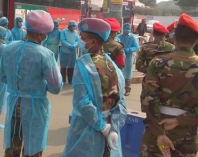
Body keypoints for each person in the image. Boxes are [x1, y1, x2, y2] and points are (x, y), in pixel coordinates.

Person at [0, 10, 63, 157]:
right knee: (33, 147)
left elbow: (3, 77)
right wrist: (39, 87)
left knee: (12, 144)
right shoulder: (45, 54)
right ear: (41, 34)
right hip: (35, 105)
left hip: (14, 102)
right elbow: (56, 87)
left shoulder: (9, 48)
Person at [63, 18, 127, 157]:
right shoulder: (113, 66)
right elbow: (121, 102)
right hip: (110, 130)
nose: (80, 40)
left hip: (87, 129)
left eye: (83, 37)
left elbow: (81, 102)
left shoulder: (82, 65)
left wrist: (102, 127)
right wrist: (114, 129)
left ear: (92, 42)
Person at [140, 13, 198, 157]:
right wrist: (180, 120)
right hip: (187, 134)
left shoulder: (158, 63)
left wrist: (159, 134)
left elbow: (148, 100)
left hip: (156, 129)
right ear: (196, 41)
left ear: (173, 37)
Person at [117, 23, 139, 96]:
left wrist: (129, 49)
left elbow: (136, 47)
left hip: (128, 57)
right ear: (123, 29)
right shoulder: (119, 37)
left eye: (129, 29)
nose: (127, 30)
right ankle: (119, 88)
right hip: (120, 56)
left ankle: (127, 89)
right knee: (119, 72)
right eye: (126, 28)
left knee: (128, 73)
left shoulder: (132, 38)